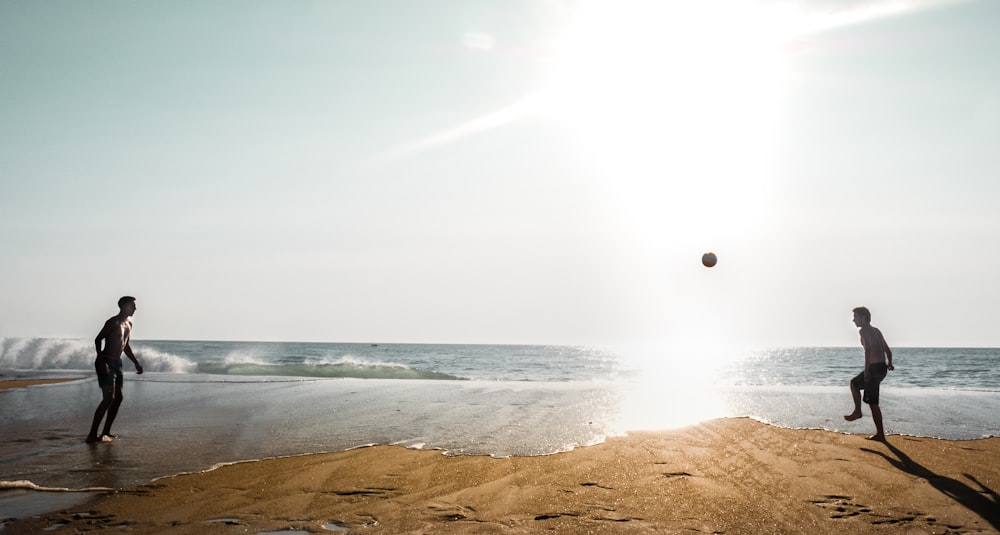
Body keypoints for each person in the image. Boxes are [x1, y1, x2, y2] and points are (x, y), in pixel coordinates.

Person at [86, 296, 143, 443]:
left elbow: (126, 345)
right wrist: (101, 359)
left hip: (117, 363)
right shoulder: (112, 322)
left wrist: (136, 363)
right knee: (108, 398)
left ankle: (106, 432)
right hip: (105, 361)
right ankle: (92, 434)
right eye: (133, 306)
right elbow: (98, 339)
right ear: (124, 306)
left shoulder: (129, 324)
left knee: (118, 398)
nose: (135, 309)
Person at [843, 306, 894, 441]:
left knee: (855, 384)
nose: (853, 320)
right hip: (882, 368)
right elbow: (887, 350)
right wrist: (889, 363)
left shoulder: (864, 331)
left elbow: (868, 351)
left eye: (855, 317)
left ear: (864, 318)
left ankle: (859, 413)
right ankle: (880, 433)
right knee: (872, 401)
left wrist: (866, 371)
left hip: (874, 369)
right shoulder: (876, 331)